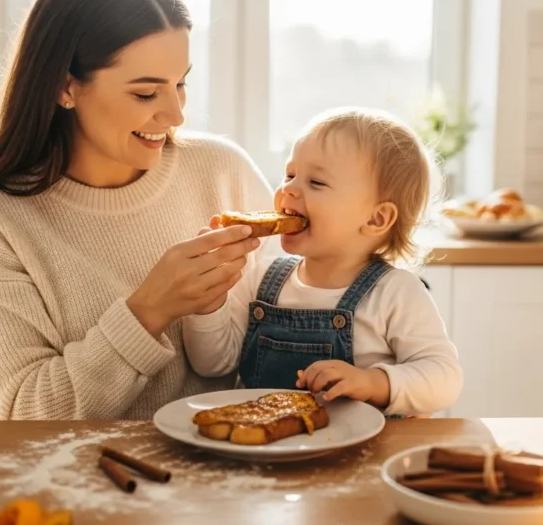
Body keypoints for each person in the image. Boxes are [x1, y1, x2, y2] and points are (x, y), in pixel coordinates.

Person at [0, 0, 277, 420]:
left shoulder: (222, 170)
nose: (176, 114)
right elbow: (23, 415)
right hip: (75, 479)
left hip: (228, 475)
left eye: (180, 84)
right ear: (65, 86)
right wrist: (149, 309)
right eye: (145, 93)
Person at [182, 108, 463, 417]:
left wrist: (373, 382)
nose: (287, 189)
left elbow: (444, 377)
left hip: (363, 457)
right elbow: (212, 364)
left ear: (376, 218)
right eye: (290, 175)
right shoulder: (260, 277)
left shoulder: (395, 292)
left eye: (316, 182)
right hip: (265, 450)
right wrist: (207, 301)